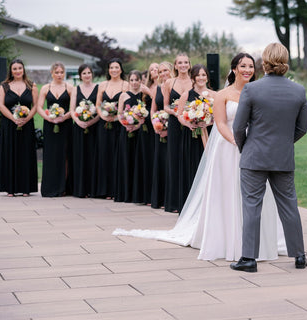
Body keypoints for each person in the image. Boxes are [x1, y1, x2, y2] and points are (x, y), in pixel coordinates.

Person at [113, 53, 287, 262]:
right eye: (243, 66)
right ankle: (226, 240)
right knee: (228, 191)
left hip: (254, 150)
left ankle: (257, 240)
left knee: (253, 194)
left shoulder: (258, 92)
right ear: (234, 69)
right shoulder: (223, 94)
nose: (247, 70)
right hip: (228, 147)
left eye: (251, 66)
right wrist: (236, 142)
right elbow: (221, 122)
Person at [231, 43, 307, 273]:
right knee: (289, 206)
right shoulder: (299, 91)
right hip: (282, 158)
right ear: (285, 61)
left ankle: (248, 259)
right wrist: (283, 143)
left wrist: (246, 147)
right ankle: (300, 255)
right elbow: (302, 128)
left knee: (251, 207)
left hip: (254, 157)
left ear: (264, 62)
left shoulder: (252, 90)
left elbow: (238, 127)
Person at [0, 59, 38, 197]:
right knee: (10, 153)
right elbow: (1, 105)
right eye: (15, 69)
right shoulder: (4, 86)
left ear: (23, 69)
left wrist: (26, 119)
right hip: (9, 125)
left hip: (27, 125)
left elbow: (36, 106)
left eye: (20, 68)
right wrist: (14, 119)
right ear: (11, 71)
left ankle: (26, 188)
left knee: (25, 154)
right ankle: (10, 188)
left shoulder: (32, 86)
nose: (18, 71)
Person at [176, 64, 215, 212]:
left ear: (207, 77)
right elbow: (179, 115)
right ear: (193, 77)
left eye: (203, 75)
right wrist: (188, 123)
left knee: (208, 168)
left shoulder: (214, 95)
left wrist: (209, 121)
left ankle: (207, 206)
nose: (201, 78)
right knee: (192, 167)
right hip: (191, 136)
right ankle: (190, 206)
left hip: (208, 136)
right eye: (198, 75)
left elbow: (219, 117)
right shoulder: (186, 95)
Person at [37, 62, 74, 197]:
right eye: (56, 72)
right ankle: (50, 187)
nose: (59, 75)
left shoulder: (70, 88)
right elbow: (39, 107)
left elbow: (73, 108)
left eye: (61, 72)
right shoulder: (45, 88)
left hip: (66, 125)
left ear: (64, 73)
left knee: (65, 155)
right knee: (51, 155)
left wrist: (64, 117)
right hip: (50, 125)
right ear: (52, 73)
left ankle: (64, 187)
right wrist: (49, 118)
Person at [94, 58, 129, 199]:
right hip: (104, 125)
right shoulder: (103, 85)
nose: (114, 70)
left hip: (119, 124)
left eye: (116, 67)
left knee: (117, 155)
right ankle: (104, 190)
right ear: (108, 70)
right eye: (111, 67)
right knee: (104, 154)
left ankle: (116, 190)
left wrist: (116, 117)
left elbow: (128, 105)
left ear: (121, 69)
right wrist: (103, 115)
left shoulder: (126, 85)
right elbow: (97, 104)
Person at [162, 53, 192, 213]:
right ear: (175, 65)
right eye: (180, 62)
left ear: (189, 64)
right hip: (174, 123)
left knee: (188, 159)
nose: (183, 65)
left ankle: (188, 200)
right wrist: (176, 113)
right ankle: (174, 202)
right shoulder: (169, 82)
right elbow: (165, 105)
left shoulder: (193, 80)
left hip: (190, 123)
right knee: (174, 159)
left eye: (185, 62)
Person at [69, 64, 99, 198]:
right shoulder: (76, 89)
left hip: (94, 128)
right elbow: (71, 109)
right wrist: (79, 121)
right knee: (80, 157)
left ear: (92, 74)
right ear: (80, 75)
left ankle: (92, 189)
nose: (87, 75)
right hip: (79, 127)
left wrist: (91, 121)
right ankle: (80, 189)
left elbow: (100, 109)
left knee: (92, 157)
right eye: (84, 73)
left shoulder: (98, 88)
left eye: (89, 73)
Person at [114, 70, 144, 203]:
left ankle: (138, 193)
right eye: (131, 80)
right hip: (126, 131)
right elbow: (120, 114)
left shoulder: (144, 95)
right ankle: (126, 193)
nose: (134, 82)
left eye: (136, 80)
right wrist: (126, 124)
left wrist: (137, 125)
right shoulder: (123, 95)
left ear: (140, 81)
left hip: (140, 132)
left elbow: (146, 114)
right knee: (126, 159)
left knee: (138, 160)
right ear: (129, 81)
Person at [133, 63, 158, 205]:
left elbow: (159, 100)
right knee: (146, 158)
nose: (154, 71)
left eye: (156, 69)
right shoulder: (145, 87)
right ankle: (146, 195)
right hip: (145, 126)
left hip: (158, 124)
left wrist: (149, 92)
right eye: (152, 69)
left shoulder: (159, 87)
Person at [150, 62, 173, 209]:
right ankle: (160, 199)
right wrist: (156, 125)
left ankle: (170, 199)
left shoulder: (175, 86)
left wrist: (168, 128)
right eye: (161, 71)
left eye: (166, 70)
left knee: (171, 164)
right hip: (159, 131)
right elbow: (153, 110)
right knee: (161, 164)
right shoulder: (158, 88)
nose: (163, 73)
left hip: (174, 131)